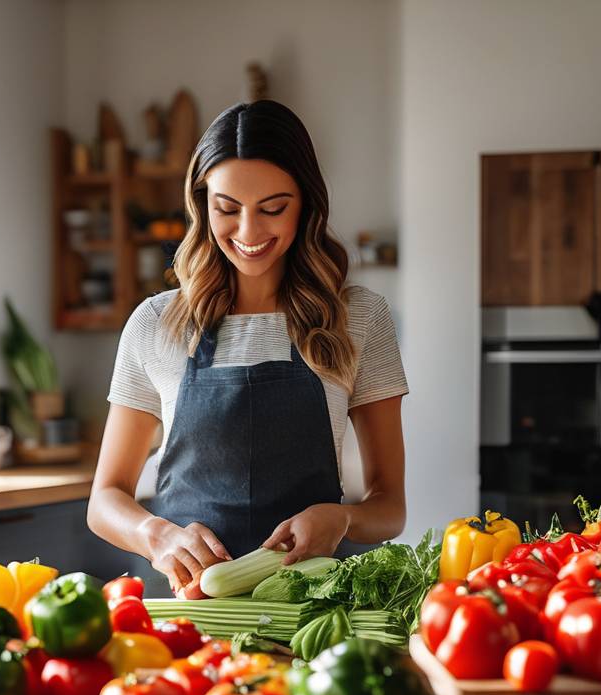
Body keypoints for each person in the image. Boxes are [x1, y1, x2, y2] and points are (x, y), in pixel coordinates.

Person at [87, 101, 408, 596]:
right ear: (202, 205)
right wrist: (155, 535)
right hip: (193, 616)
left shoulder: (358, 318)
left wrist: (341, 518)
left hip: (316, 615)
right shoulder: (156, 323)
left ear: (306, 203)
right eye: (227, 209)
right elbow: (105, 499)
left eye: (273, 208)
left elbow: (390, 509)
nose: (249, 233)